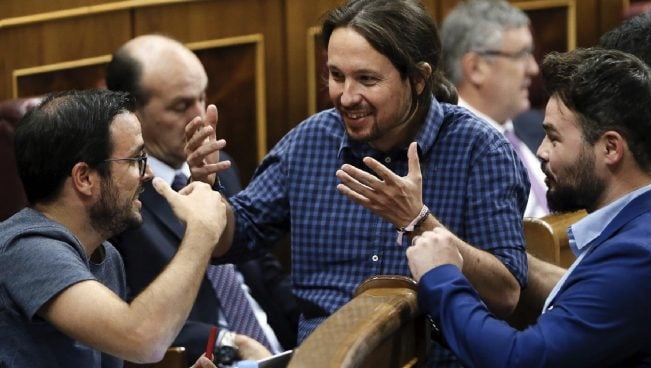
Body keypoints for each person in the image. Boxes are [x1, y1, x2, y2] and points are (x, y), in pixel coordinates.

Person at [184, 0, 529, 365]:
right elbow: (233, 240)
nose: (346, 97)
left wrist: (419, 222)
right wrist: (207, 191)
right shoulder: (311, 141)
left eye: (367, 79)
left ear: (418, 79)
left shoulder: (479, 149)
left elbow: (505, 295)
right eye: (336, 76)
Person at [407, 47, 651, 367]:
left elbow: (519, 360)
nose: (541, 152)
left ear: (610, 148)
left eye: (554, 138)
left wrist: (441, 275)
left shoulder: (637, 255)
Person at [105, 34, 298, 364]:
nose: (200, 118)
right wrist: (224, 342)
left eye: (202, 97)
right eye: (181, 106)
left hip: (278, 350)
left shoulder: (220, 163)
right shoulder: (116, 196)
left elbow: (262, 270)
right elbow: (120, 318)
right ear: (131, 112)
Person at [0, 89, 226, 367]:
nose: (149, 174)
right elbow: (143, 340)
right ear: (84, 178)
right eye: (136, 160)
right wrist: (202, 232)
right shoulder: (27, 249)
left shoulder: (105, 256)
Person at [441, 0, 548, 217]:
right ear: (475, 67)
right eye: (521, 55)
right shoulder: (448, 148)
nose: (534, 68)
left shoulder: (535, 127)